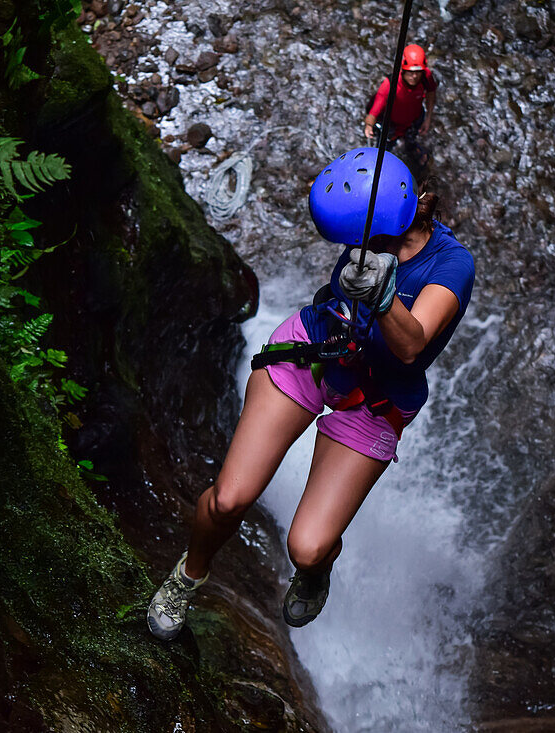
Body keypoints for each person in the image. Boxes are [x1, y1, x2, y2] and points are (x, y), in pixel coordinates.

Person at [146, 147, 475, 640]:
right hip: (319, 350)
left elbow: (411, 345)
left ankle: (317, 570)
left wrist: (382, 297)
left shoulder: (452, 265)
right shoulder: (367, 211)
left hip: (375, 395)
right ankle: (187, 576)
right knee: (228, 500)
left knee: (307, 546)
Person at [363, 44, 437, 167]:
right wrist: (369, 125)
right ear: (403, 69)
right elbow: (375, 109)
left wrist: (428, 118)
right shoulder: (390, 84)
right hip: (392, 125)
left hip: (414, 120)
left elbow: (430, 92)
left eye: (418, 72)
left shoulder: (426, 76)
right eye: (410, 73)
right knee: (384, 148)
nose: (414, 77)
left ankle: (411, 148)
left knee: (410, 139)